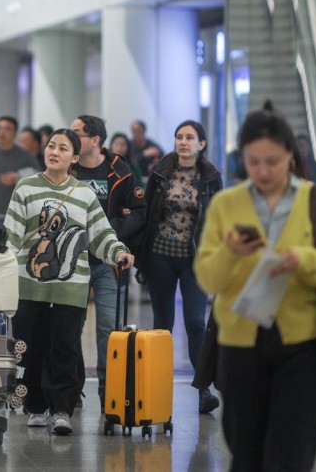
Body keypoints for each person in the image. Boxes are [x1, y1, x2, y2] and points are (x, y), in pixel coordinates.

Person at [194, 103, 316, 471]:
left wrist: (303, 260)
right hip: (239, 344)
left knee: (291, 455)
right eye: (253, 162)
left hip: (302, 345)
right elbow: (208, 277)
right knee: (245, 453)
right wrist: (231, 252)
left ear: (290, 157)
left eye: (273, 161)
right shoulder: (226, 204)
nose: (263, 171)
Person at [5, 128, 134, 436]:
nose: (54, 152)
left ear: (74, 158)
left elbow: (101, 234)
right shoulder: (25, 188)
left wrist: (118, 252)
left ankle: (61, 409)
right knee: (28, 348)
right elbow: (10, 236)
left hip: (70, 289)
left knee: (64, 350)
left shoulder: (85, 195)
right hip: (29, 287)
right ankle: (34, 406)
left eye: (63, 149)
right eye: (51, 146)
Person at [138, 120, 223, 414]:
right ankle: (156, 387)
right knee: (163, 324)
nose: (183, 142)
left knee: (196, 322)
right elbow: (146, 213)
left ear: (201, 144)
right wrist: (138, 256)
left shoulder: (211, 177)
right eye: (178, 137)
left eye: (189, 137)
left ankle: (203, 390)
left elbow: (217, 220)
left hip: (194, 259)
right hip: (160, 255)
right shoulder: (161, 172)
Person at [68, 115, 146, 409]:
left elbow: (139, 211)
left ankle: (109, 393)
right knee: (71, 328)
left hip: (108, 262)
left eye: (77, 133)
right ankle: (71, 390)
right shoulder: (67, 167)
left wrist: (111, 231)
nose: (70, 137)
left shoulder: (120, 171)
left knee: (108, 330)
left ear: (95, 140)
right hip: (71, 261)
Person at [0, 116, 40, 224]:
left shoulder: (25, 156)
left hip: (13, 215)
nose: (2, 132)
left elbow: (40, 179)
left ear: (15, 134)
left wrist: (18, 177)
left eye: (7, 129)